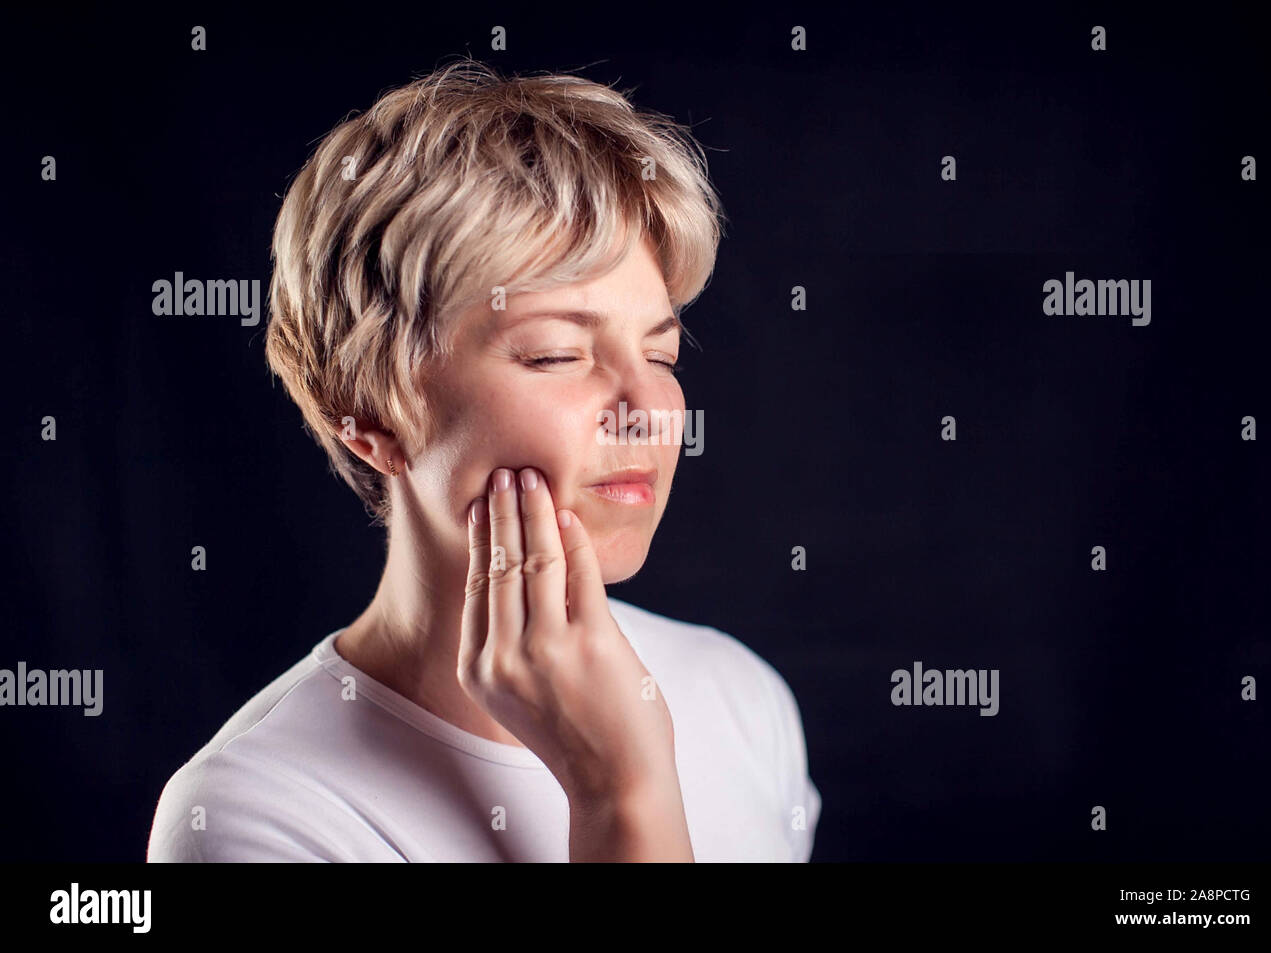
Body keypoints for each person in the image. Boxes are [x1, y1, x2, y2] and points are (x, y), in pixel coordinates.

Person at [146, 56, 821, 862]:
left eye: (662, 354)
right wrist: (619, 792)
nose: (648, 415)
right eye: (555, 356)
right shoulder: (254, 814)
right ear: (371, 418)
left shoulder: (742, 697)